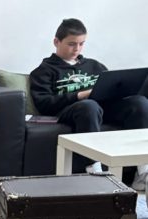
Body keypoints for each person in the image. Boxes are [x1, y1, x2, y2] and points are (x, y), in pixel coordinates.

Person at [29, 18, 148, 185]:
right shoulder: (44, 71)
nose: (77, 49)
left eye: (81, 44)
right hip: (71, 110)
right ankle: (95, 170)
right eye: (71, 44)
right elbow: (44, 103)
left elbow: (110, 87)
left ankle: (142, 171)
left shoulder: (94, 66)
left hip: (102, 107)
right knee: (89, 106)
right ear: (56, 42)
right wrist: (80, 95)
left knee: (139, 103)